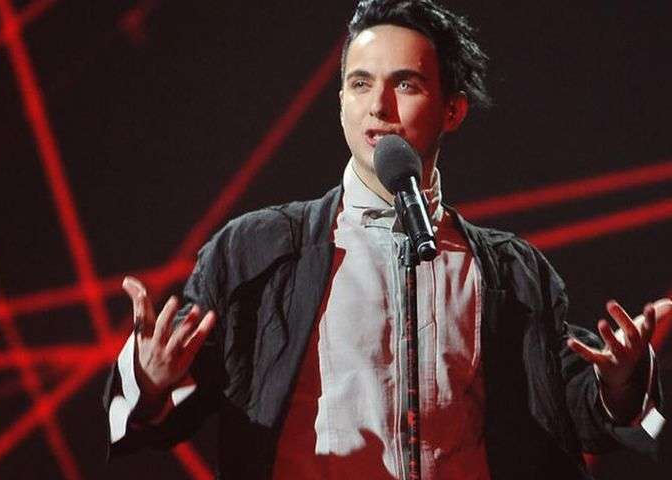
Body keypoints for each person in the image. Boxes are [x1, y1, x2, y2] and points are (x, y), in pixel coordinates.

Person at [103, 1, 668, 478]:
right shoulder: (257, 249)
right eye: (360, 83)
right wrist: (149, 380)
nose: (378, 106)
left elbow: (572, 412)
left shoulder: (512, 272)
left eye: (405, 83)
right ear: (341, 103)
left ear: (453, 109)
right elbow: (163, 408)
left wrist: (621, 382)